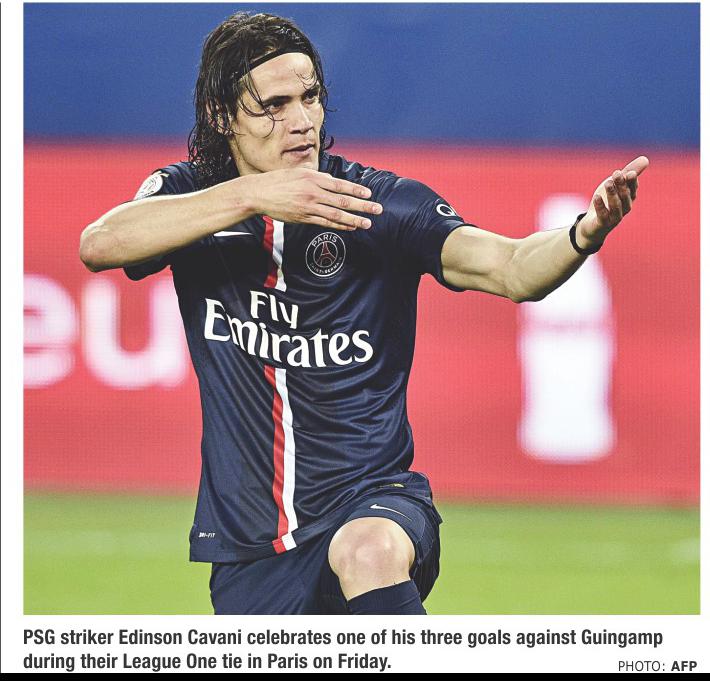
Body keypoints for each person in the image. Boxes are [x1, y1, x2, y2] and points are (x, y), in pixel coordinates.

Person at [79, 11, 648, 615]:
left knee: (367, 551)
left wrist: (583, 233)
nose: (301, 121)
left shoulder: (378, 205)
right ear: (223, 117)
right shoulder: (190, 197)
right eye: (273, 106)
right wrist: (249, 195)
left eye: (310, 97)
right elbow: (100, 244)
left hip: (373, 501)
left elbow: (510, 268)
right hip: (250, 544)